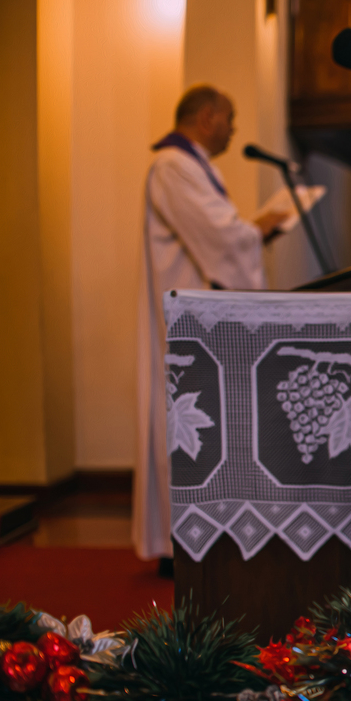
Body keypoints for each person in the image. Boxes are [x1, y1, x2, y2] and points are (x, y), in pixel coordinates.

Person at [134, 85, 289, 569]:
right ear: (206, 118)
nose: (234, 128)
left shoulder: (190, 166)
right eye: (230, 118)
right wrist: (259, 227)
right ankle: (176, 543)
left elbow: (218, 234)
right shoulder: (172, 166)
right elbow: (221, 235)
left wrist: (250, 232)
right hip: (181, 319)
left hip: (199, 314)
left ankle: (202, 535)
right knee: (182, 419)